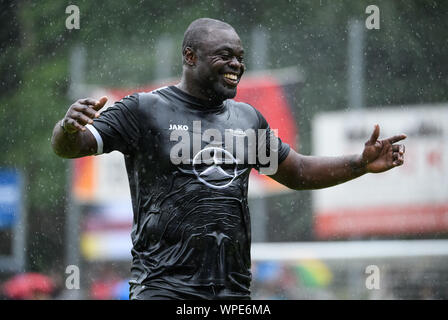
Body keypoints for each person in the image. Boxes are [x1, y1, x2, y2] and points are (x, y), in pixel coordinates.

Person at [51, 18, 406, 300]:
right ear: (190, 57)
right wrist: (68, 129)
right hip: (162, 287)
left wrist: (359, 164)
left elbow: (296, 172)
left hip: (232, 290)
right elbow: (72, 146)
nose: (236, 64)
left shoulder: (247, 119)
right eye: (224, 55)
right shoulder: (144, 110)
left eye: (240, 56)